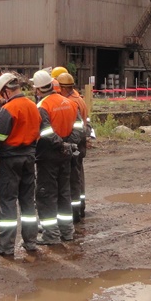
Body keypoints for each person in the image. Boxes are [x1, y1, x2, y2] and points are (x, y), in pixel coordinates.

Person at [0, 73, 41, 256]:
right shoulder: (33, 106)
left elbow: (0, 136)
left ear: (6, 91)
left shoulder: (8, 109)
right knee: (27, 202)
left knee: (7, 201)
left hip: (10, 159)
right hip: (29, 157)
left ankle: (6, 246)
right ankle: (31, 241)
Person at [33, 69, 84, 245]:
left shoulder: (42, 107)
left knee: (46, 196)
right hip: (66, 156)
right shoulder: (69, 102)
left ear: (38, 90)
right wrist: (69, 144)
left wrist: (61, 144)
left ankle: (51, 235)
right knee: (64, 193)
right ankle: (67, 230)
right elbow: (80, 127)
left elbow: (45, 132)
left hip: (48, 156)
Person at [57, 71, 90, 223]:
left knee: (73, 179)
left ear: (62, 87)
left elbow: (75, 126)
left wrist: (68, 144)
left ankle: (75, 211)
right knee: (78, 177)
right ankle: (80, 207)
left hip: (75, 142)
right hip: (80, 142)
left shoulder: (71, 102)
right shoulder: (78, 98)